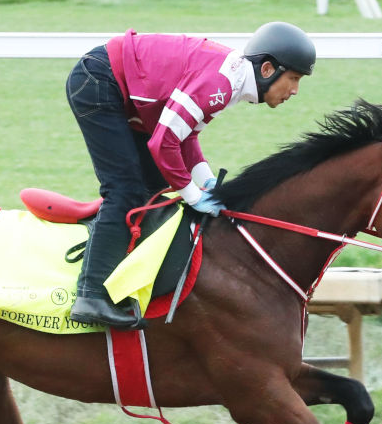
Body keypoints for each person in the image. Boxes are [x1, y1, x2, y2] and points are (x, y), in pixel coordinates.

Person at [65, 21, 317, 329]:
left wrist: (206, 181)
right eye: (293, 78)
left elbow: (185, 137)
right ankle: (91, 295)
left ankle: (124, 281)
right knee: (126, 190)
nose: (294, 90)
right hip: (99, 82)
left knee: (154, 192)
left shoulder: (231, 80)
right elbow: (163, 143)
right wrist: (194, 195)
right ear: (267, 70)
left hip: (117, 86)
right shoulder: (221, 84)